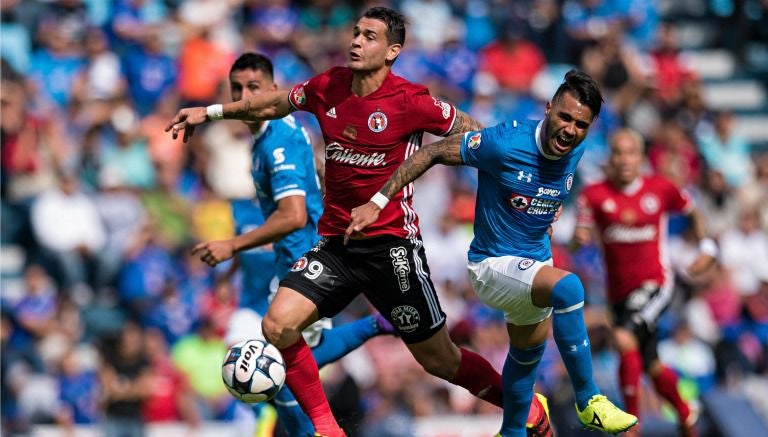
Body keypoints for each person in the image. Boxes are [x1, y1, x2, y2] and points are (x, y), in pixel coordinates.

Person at [166, 8, 551, 437]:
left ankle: (527, 406)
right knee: (276, 325)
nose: (356, 41)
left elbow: (478, 137)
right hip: (336, 245)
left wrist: (519, 195)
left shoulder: (411, 101)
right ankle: (328, 428)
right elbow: (276, 102)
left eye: (369, 36)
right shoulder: (328, 85)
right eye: (355, 33)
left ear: (392, 51)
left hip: (392, 248)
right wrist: (213, 112)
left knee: (440, 360)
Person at [346, 69, 638, 436]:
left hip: (533, 261)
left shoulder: (575, 149)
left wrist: (547, 212)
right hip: (492, 265)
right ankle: (589, 400)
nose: (569, 129)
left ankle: (512, 431)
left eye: (580, 124)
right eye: (564, 117)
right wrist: (378, 200)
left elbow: (545, 189)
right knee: (571, 288)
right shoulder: (505, 141)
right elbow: (435, 152)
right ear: (548, 108)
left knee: (526, 357)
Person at [190, 53, 398, 436]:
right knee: (292, 366)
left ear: (272, 90)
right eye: (236, 88)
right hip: (297, 261)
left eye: (253, 87)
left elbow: (293, 215)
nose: (243, 95)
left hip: (308, 263)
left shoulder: (276, 142)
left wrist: (232, 246)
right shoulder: (266, 137)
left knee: (286, 369)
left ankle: (378, 324)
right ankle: (379, 323)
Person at [573, 128, 716, 437]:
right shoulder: (594, 195)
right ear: (609, 158)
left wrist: (707, 248)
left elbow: (694, 213)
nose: (624, 160)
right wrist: (576, 238)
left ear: (640, 158)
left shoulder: (661, 189)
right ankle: (684, 411)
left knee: (624, 339)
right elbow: (578, 239)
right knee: (650, 364)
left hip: (656, 284)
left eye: (630, 153)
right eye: (618, 153)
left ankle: (630, 426)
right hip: (617, 293)